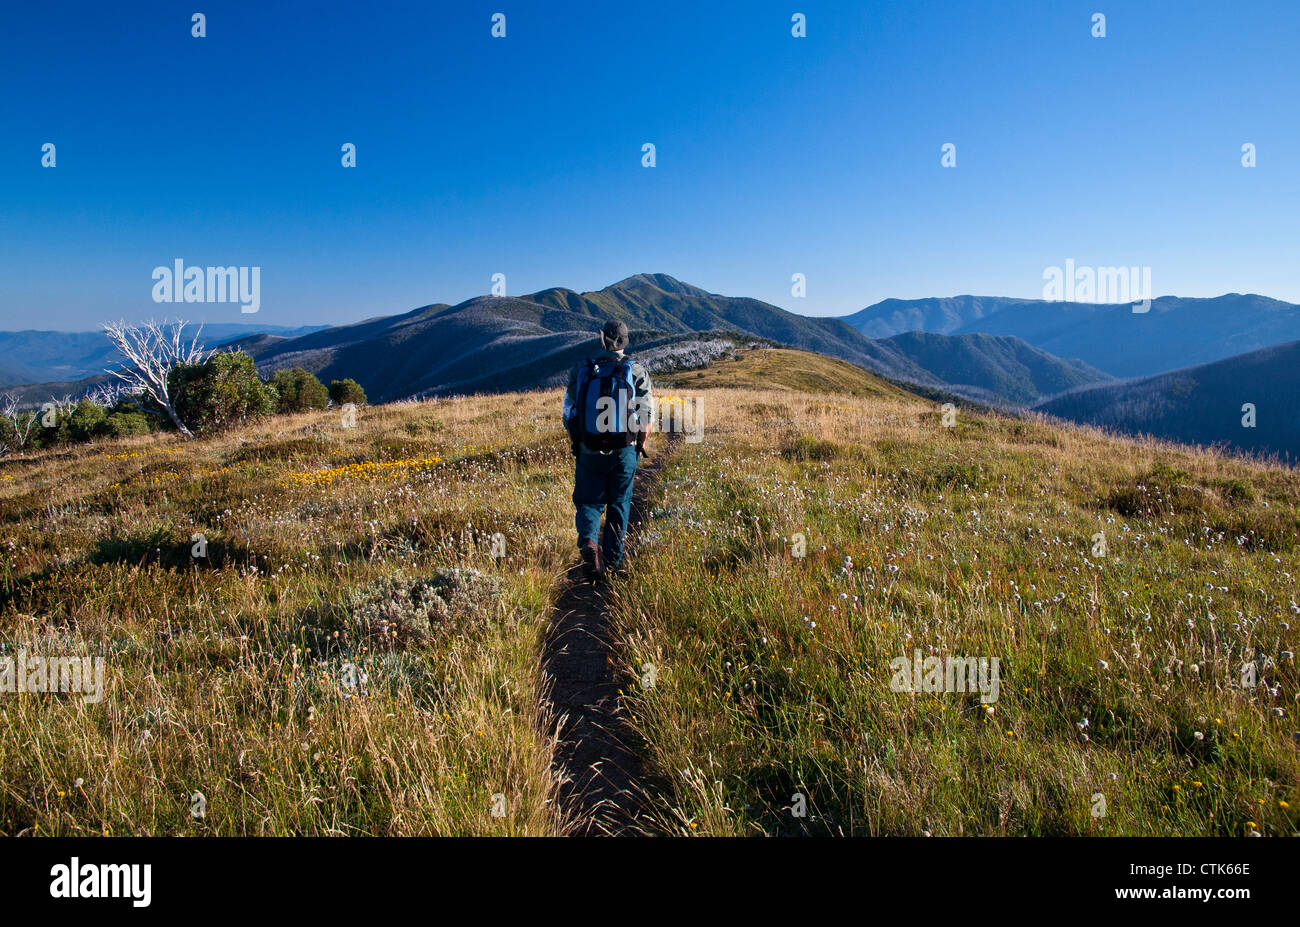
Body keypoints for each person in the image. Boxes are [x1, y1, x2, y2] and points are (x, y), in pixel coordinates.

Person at [561, 319, 654, 579]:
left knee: (588, 501)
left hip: (589, 447)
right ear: (625, 342)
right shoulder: (636, 370)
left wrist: (579, 440)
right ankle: (612, 562)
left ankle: (589, 542)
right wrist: (639, 445)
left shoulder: (583, 369)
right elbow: (646, 417)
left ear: (602, 340)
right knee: (619, 503)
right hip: (624, 449)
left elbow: (568, 412)